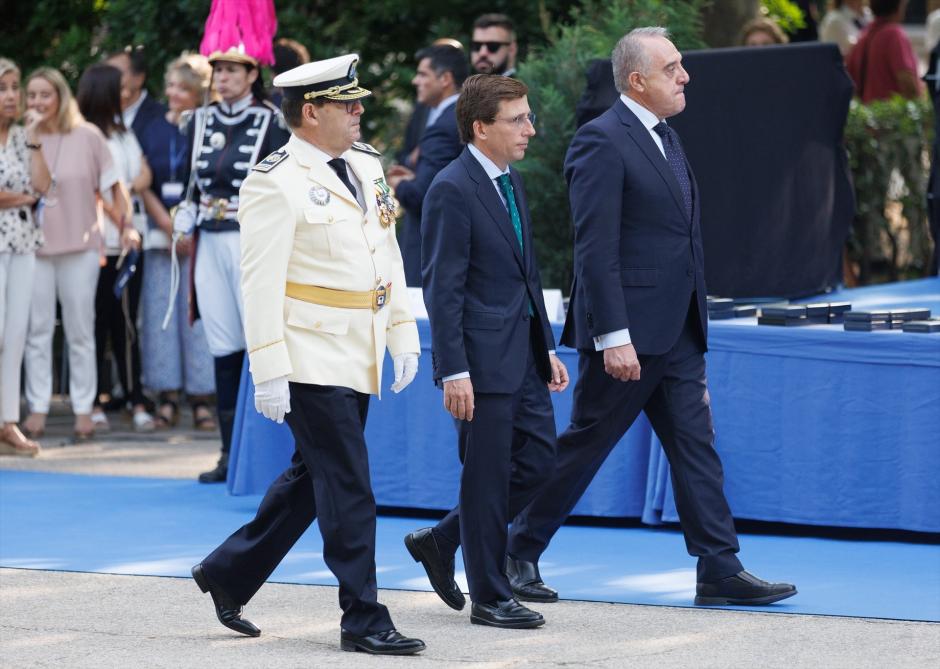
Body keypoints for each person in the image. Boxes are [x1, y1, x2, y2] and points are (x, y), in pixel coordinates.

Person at [505, 27, 797, 607]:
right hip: (628, 335)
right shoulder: (601, 140)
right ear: (637, 81)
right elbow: (595, 249)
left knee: (696, 446)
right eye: (672, 68)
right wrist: (614, 335)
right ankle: (512, 546)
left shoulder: (666, 135)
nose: (685, 76)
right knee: (587, 445)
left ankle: (719, 567)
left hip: (679, 327)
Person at [191, 53, 425, 656]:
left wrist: (402, 333)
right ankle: (363, 618)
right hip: (308, 352)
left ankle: (228, 572)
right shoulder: (274, 179)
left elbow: (388, 256)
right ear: (312, 112)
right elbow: (259, 283)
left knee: (311, 477)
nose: (359, 111)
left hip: (358, 345)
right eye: (347, 104)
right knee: (348, 484)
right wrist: (269, 368)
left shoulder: (366, 163)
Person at [406, 74, 569, 629]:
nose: (530, 129)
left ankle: (442, 539)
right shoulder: (451, 188)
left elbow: (527, 274)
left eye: (528, 116)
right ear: (480, 127)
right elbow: (442, 288)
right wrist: (452, 369)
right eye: (517, 119)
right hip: (478, 363)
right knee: (486, 477)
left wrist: (546, 346)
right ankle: (491, 597)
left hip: (523, 355)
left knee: (540, 462)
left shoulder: (509, 180)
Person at [182, 36, 290, 482]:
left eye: (232, 70)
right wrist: (185, 213)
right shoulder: (197, 121)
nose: (222, 78)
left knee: (261, 342)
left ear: (252, 75)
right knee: (223, 344)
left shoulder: (272, 121)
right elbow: (189, 182)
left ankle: (273, 457)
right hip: (209, 242)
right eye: (218, 70)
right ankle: (229, 453)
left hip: (252, 242)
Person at [22, 67, 126, 442]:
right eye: (32, 95)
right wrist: (31, 138)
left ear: (61, 97)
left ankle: (84, 408)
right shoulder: (20, 138)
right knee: (37, 330)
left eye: (45, 95)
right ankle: (37, 407)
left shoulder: (88, 136)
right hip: (34, 248)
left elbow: (114, 188)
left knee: (81, 330)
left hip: (80, 246)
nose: (37, 102)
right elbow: (28, 187)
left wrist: (127, 226)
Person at [137, 54, 217, 431]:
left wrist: (189, 229)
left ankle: (202, 398)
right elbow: (142, 183)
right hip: (159, 235)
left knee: (197, 315)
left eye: (183, 88)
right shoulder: (151, 128)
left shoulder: (210, 128)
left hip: (202, 235)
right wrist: (168, 225)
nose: (173, 93)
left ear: (199, 92)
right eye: (170, 85)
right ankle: (166, 396)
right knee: (160, 316)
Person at [76, 64, 154, 433]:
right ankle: (93, 401)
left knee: (127, 324)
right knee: (96, 323)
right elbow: (96, 188)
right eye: (119, 88)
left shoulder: (124, 133)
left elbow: (143, 174)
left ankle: (136, 399)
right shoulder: (83, 135)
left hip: (130, 240)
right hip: (101, 241)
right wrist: (121, 218)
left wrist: (123, 195)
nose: (126, 93)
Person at [0, 58, 50, 456]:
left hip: (22, 241)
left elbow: (43, 186)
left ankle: (7, 422)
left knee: (16, 333)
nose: (12, 96)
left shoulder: (21, 136)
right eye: (3, 88)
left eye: (15, 87)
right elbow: (22, 195)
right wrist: (22, 198)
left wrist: (34, 138)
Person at [387, 44, 467, 286]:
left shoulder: (443, 127)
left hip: (431, 251)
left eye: (423, 74)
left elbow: (423, 196)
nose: (416, 81)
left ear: (445, 79)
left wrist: (398, 183)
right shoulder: (464, 117)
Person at [846, 0, 923, 103]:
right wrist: (918, 106)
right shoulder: (894, 35)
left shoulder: (863, 36)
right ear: (898, 6)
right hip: (892, 111)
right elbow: (906, 79)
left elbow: (850, 80)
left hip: (867, 110)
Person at [106, 46, 166, 139]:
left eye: (117, 73)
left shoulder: (163, 117)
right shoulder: (98, 115)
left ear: (139, 79)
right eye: (106, 74)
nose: (109, 80)